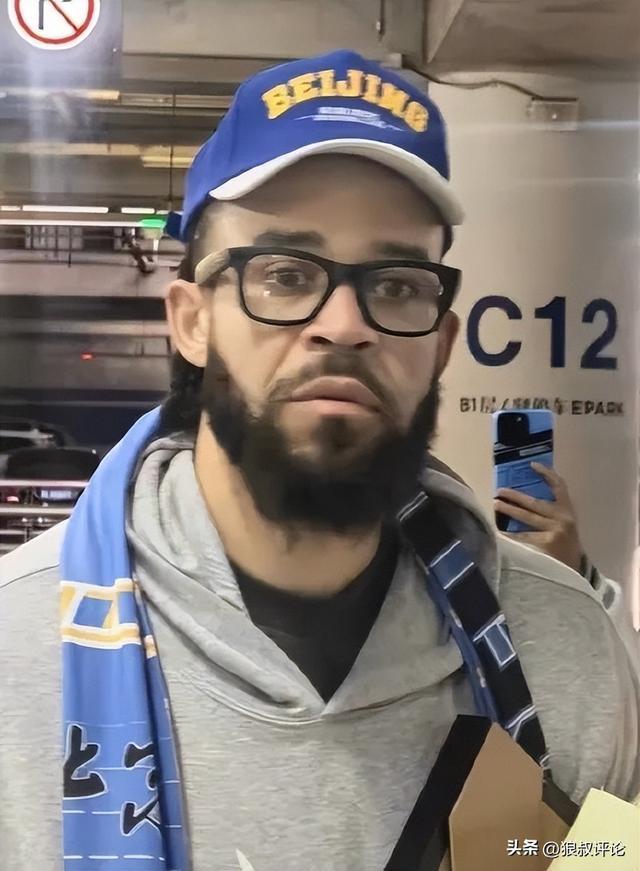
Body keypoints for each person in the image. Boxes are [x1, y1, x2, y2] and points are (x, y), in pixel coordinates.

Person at [1, 50, 639, 871]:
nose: (343, 324)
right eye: (285, 273)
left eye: (397, 283)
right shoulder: (19, 650)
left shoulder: (568, 651)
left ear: (442, 343)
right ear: (191, 321)